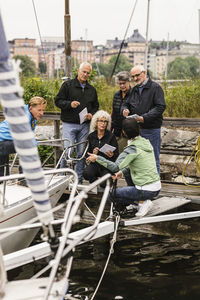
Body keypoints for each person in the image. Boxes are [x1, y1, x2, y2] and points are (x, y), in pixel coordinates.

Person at [87, 118, 161, 217]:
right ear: (139, 129)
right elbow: (134, 165)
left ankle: (142, 203)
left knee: (111, 195)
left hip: (145, 190)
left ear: (124, 132)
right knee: (127, 176)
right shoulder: (145, 143)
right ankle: (138, 202)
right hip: (156, 187)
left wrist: (97, 158)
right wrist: (121, 173)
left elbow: (115, 167)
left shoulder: (131, 149)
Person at [55, 62, 99, 183]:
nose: (85, 74)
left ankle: (78, 179)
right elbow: (58, 101)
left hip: (84, 125)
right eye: (83, 72)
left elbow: (96, 106)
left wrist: (92, 114)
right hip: (69, 123)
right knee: (67, 150)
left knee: (81, 152)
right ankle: (60, 177)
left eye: (88, 73)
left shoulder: (92, 89)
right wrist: (69, 104)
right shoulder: (67, 85)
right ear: (78, 71)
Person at [121, 65, 166, 174]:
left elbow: (160, 107)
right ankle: (140, 185)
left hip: (151, 130)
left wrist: (144, 118)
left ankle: (154, 186)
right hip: (136, 131)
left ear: (144, 73)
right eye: (133, 76)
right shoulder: (134, 90)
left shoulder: (156, 88)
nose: (135, 78)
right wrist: (124, 109)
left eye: (137, 75)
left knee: (153, 159)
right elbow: (125, 103)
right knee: (136, 160)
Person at [0, 96, 47, 177]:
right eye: (39, 110)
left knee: (3, 176)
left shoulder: (32, 116)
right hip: (2, 142)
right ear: (31, 108)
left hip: (5, 141)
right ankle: (24, 179)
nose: (42, 113)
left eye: (43, 110)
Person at [83, 110, 118, 189]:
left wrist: (112, 155)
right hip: (95, 164)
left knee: (104, 183)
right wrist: (93, 153)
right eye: (101, 121)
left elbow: (116, 154)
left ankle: (106, 185)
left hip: (106, 165)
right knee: (86, 173)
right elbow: (86, 154)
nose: (103, 123)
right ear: (96, 122)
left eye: (105, 121)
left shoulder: (111, 136)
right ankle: (94, 185)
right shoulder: (91, 136)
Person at [111, 71, 131, 153]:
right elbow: (113, 113)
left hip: (128, 131)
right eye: (120, 84)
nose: (122, 86)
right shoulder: (116, 95)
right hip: (117, 130)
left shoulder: (134, 94)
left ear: (129, 82)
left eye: (123, 83)